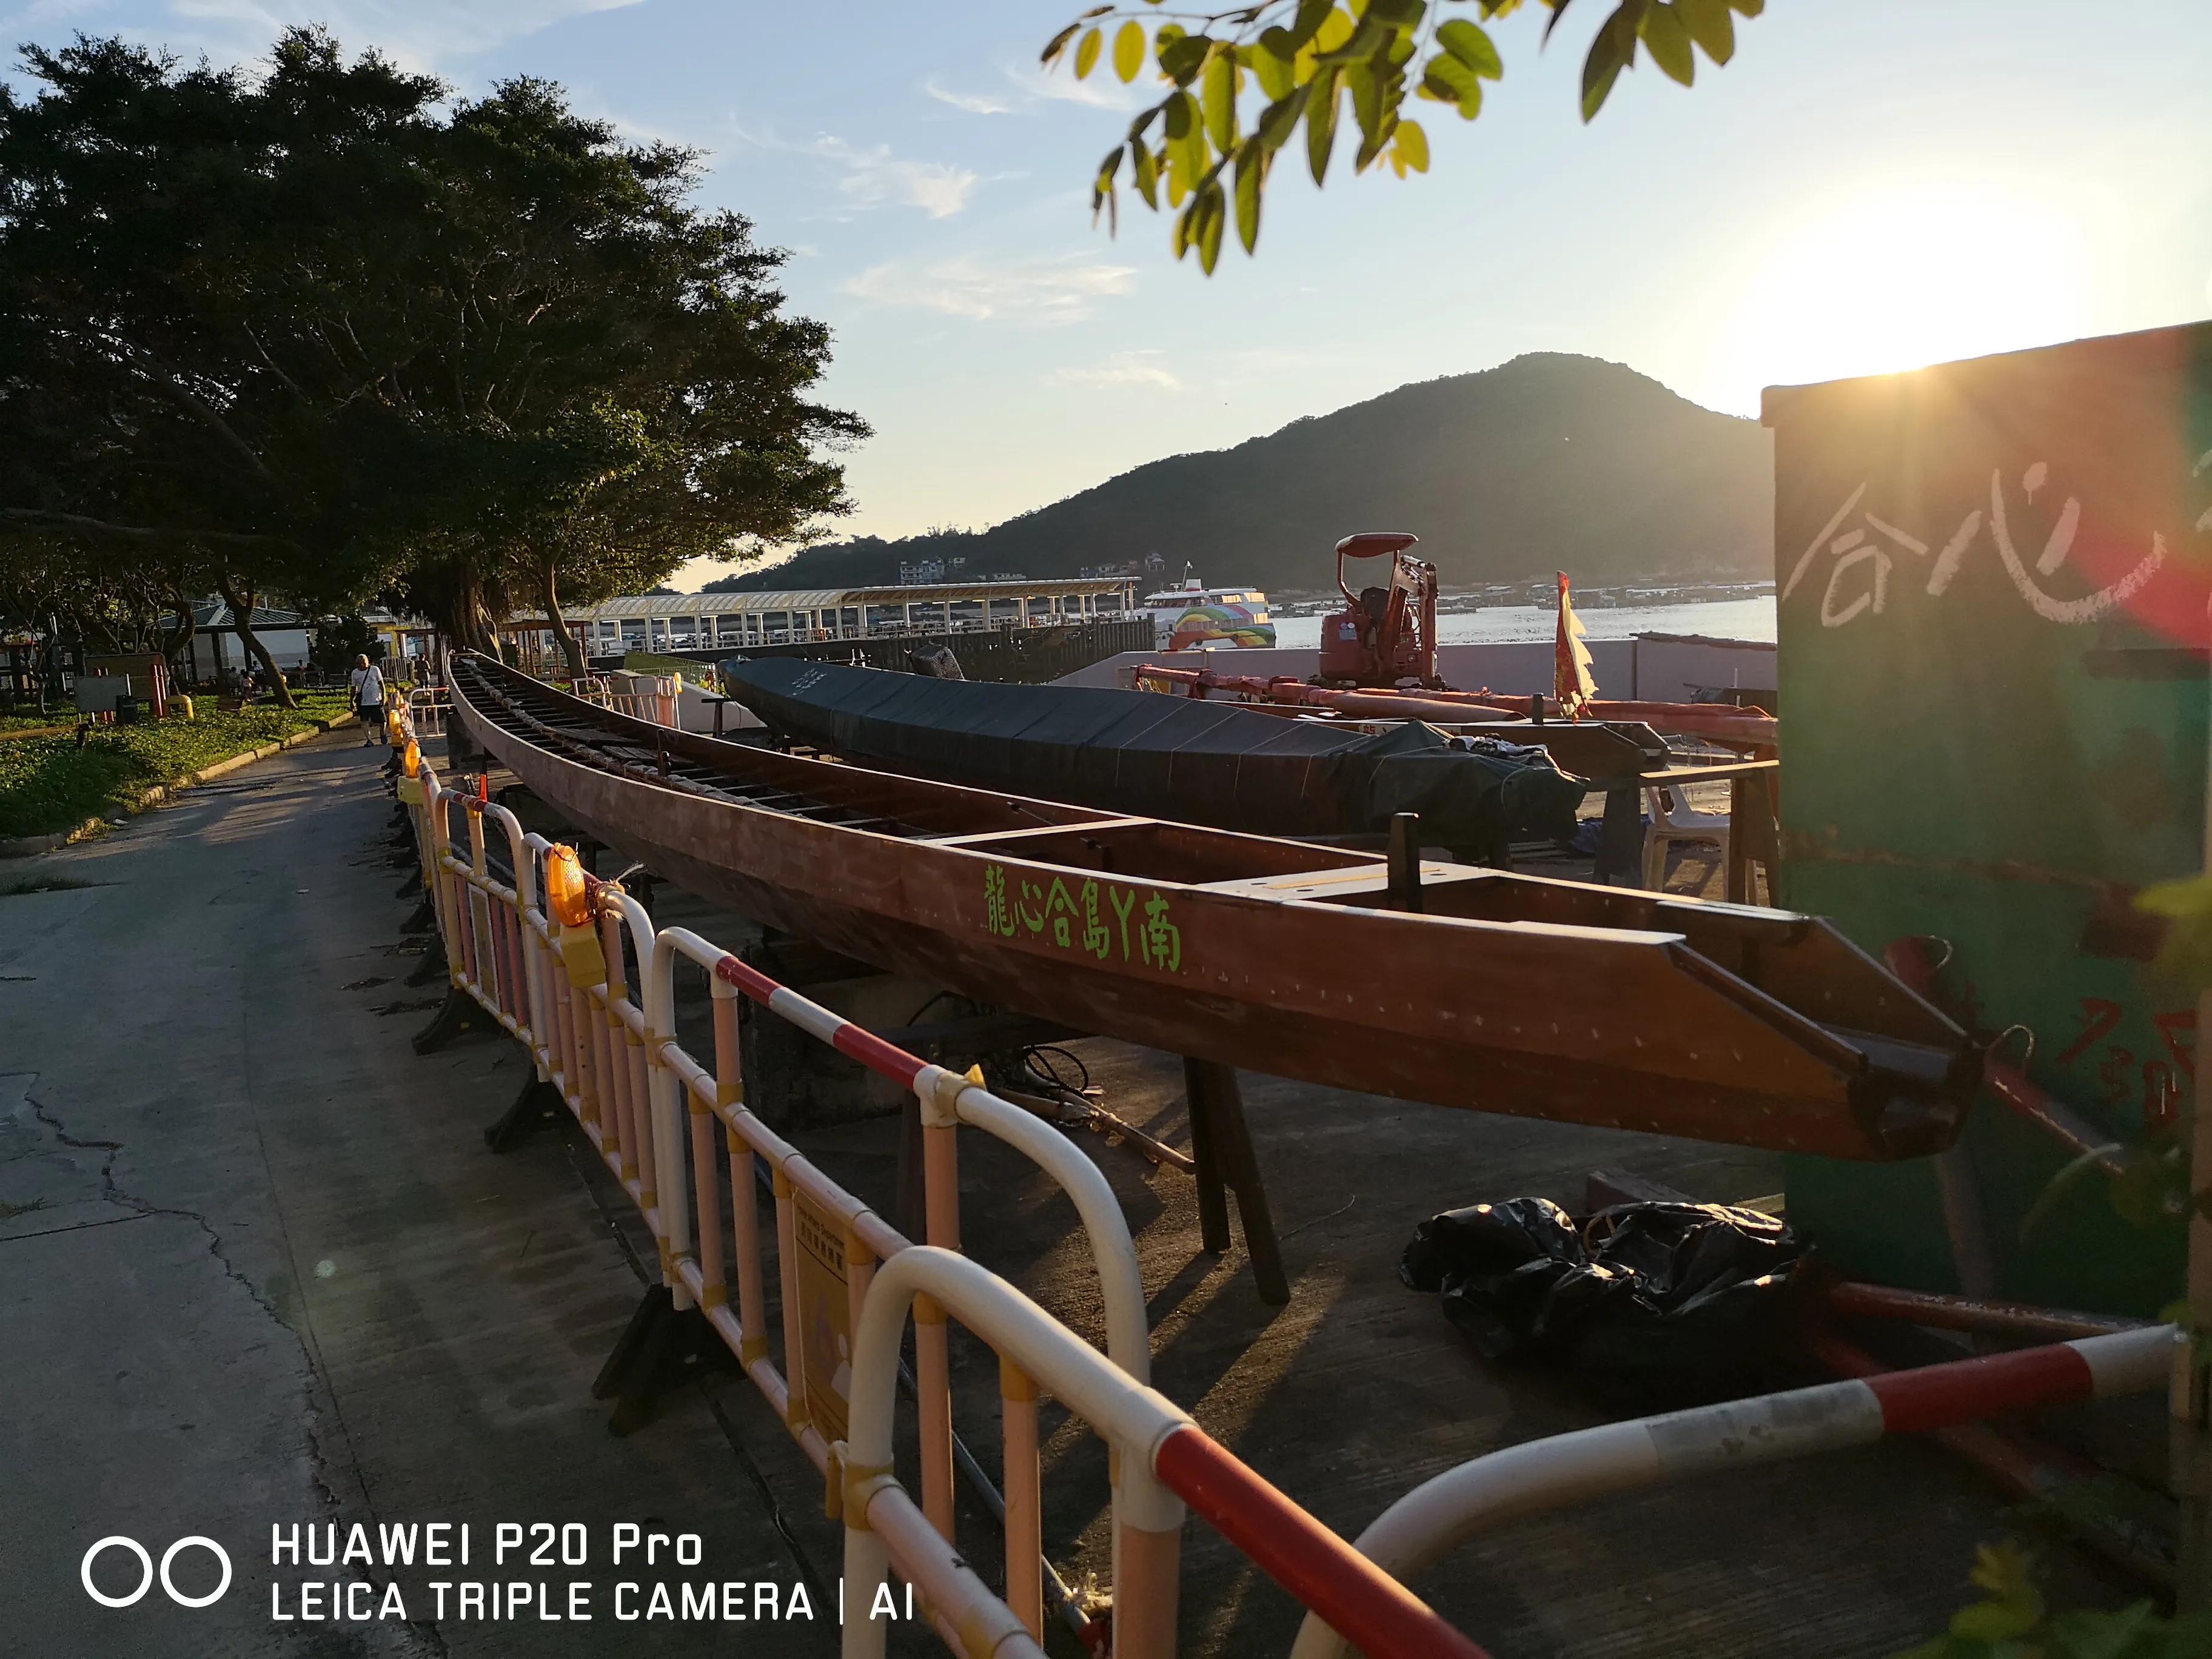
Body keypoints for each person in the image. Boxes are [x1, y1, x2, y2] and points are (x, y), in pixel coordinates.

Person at [348, 654, 386, 746]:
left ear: (368, 662)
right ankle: (369, 740)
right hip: (363, 701)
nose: (362, 665)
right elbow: (354, 688)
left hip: (375, 699)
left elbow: (382, 684)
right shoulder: (355, 673)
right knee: (364, 721)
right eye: (360, 663)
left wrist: (384, 697)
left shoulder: (374, 670)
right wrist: (351, 701)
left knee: (382, 720)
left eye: (364, 663)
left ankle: (382, 733)